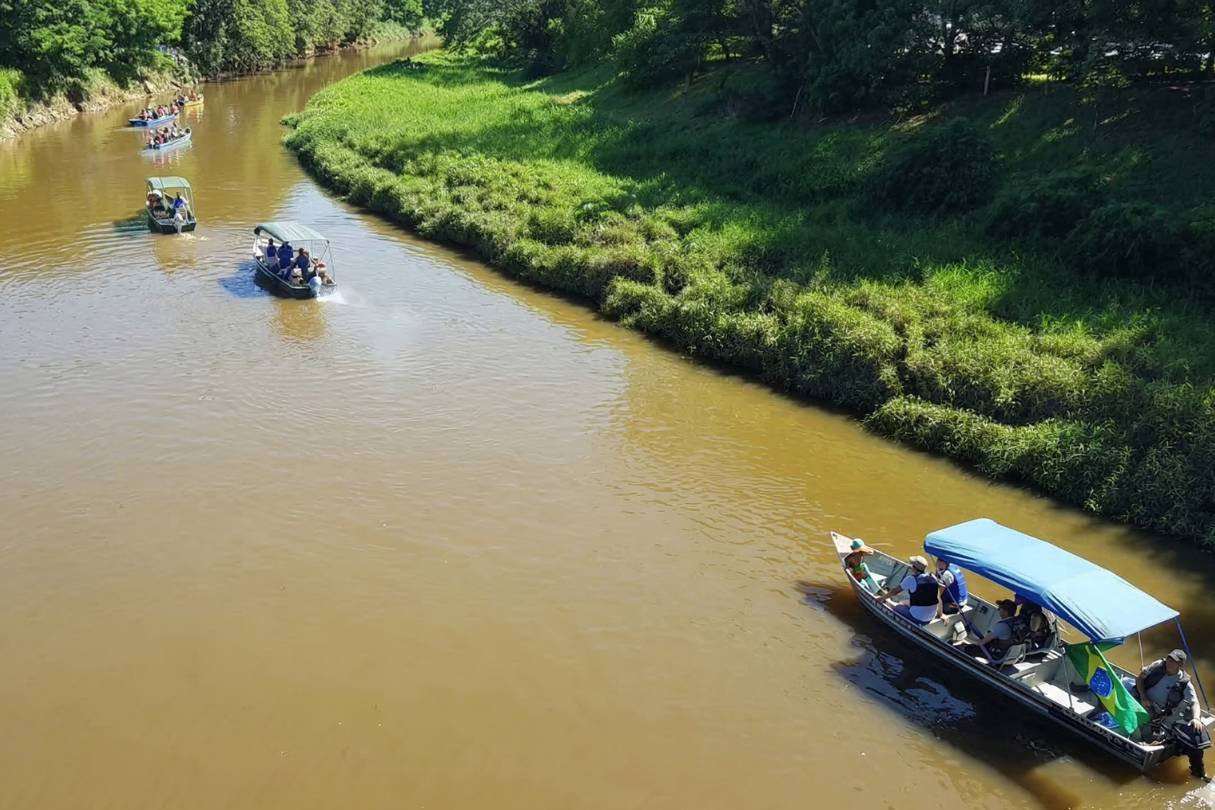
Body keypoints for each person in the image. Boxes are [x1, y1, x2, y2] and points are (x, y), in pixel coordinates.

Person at [1136, 650, 1209, 779]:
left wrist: (1196, 718)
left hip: (1160, 713)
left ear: (1180, 665)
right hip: (1143, 701)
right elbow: (1139, 679)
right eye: (1169, 659)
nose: (1168, 662)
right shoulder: (1158, 665)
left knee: (1194, 731)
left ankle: (1198, 773)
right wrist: (1143, 696)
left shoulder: (1185, 683)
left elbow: (1195, 703)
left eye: (1173, 661)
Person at [877, 555, 938, 625]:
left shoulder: (911, 579)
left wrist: (882, 598)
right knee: (902, 602)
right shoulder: (933, 578)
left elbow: (895, 592)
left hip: (918, 618)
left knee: (895, 605)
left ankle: (888, 601)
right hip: (931, 616)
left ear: (913, 567)